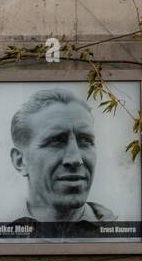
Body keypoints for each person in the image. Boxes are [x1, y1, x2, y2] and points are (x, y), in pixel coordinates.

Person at [8, 88, 114, 234]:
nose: (75, 159)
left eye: (85, 141)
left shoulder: (120, 232)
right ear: (20, 161)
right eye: (56, 141)